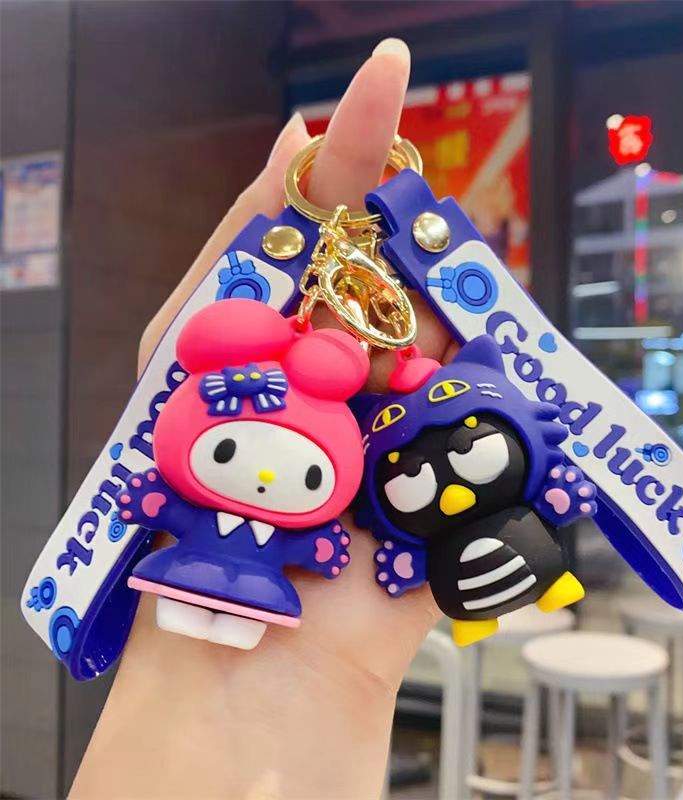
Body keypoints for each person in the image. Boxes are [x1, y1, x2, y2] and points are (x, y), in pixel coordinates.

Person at [69, 39, 455, 800]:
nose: (271, 473)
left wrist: (319, 547)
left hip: (262, 587)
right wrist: (154, 499)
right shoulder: (216, 412)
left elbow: (298, 537)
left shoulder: (317, 449)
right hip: (188, 570)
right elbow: (170, 499)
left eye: (306, 475)